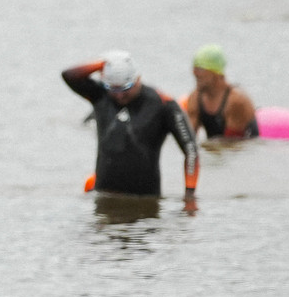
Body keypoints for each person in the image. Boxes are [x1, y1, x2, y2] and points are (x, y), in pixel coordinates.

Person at [63, 51, 199, 210]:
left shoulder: (163, 104)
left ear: (137, 79)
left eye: (126, 89)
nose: (119, 96)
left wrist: (189, 196)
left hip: (145, 199)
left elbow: (191, 150)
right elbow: (69, 76)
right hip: (104, 194)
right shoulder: (101, 95)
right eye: (114, 89)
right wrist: (102, 63)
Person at [182, 44, 259, 140]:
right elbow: (188, 140)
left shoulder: (236, 102)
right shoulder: (195, 98)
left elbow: (231, 147)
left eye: (200, 68)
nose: (194, 73)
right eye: (194, 68)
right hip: (220, 148)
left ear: (216, 73)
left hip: (239, 147)